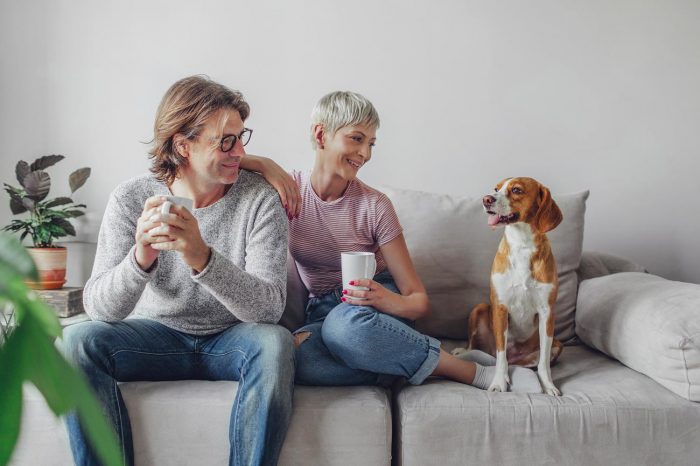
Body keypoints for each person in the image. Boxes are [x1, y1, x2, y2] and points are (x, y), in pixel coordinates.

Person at [61, 75, 294, 466]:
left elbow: (269, 310)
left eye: (241, 137)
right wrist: (141, 259)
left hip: (231, 339)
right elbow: (100, 308)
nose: (239, 150)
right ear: (183, 144)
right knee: (76, 343)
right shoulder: (132, 198)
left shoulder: (260, 200)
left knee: (274, 343)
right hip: (154, 338)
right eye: (225, 140)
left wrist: (201, 256)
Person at [242, 91, 539, 391]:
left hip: (376, 310)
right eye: (356, 139)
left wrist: (385, 299)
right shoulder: (287, 192)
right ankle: (407, 361)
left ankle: (467, 370)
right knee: (290, 357)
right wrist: (264, 164)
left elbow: (418, 301)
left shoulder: (375, 205)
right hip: (322, 313)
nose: (366, 154)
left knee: (344, 328)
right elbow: (220, 163)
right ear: (321, 135)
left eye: (370, 143)